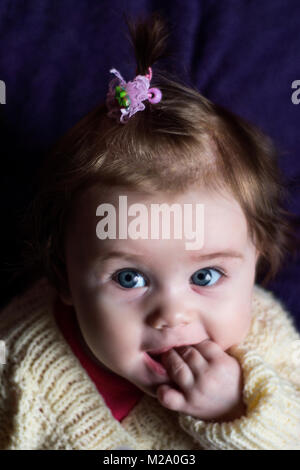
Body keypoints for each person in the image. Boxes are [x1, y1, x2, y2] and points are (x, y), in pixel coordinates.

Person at [0, 12, 300, 450]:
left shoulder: (267, 340)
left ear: (257, 260)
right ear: (64, 276)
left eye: (205, 276)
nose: (172, 315)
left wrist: (237, 411)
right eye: (130, 278)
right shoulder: (19, 363)